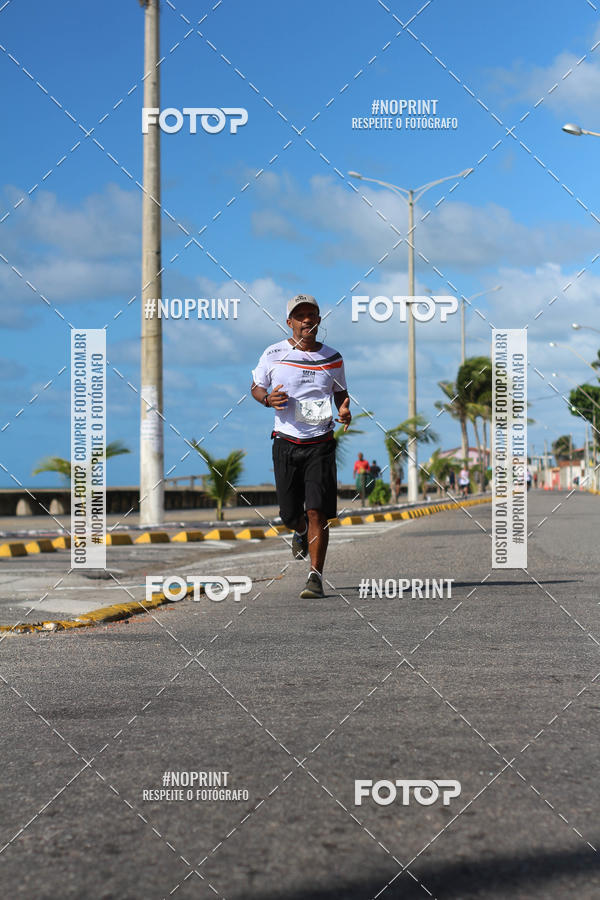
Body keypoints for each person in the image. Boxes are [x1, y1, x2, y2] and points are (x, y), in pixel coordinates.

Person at [251, 294, 351, 599]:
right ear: (290, 322)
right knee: (289, 514)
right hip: (285, 442)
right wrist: (267, 399)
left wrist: (344, 409)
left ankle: (315, 576)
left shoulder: (333, 358)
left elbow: (341, 393)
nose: (307, 319)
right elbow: (256, 387)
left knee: (317, 512)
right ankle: (299, 531)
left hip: (320, 442)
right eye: (301, 315)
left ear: (319, 320)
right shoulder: (273, 353)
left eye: (312, 314)